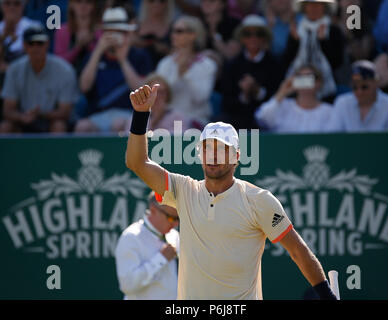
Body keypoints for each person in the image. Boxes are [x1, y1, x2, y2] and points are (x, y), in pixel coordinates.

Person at [125, 83, 338, 300]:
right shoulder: (183, 190)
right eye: (207, 148)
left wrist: (327, 295)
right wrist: (141, 115)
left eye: (221, 149)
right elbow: (137, 163)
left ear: (236, 157)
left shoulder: (259, 200)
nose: (213, 155)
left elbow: (297, 251)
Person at [74, 7, 153, 134]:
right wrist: (98, 51)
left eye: (119, 31)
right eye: (110, 31)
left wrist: (122, 60)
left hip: (129, 113)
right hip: (99, 114)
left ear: (126, 33)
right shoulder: (92, 56)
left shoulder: (139, 56)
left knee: (118, 124)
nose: (114, 36)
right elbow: (84, 87)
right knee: (82, 127)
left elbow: (143, 92)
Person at [0, 26, 78, 133]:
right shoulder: (14, 70)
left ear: (47, 44)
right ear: (24, 46)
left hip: (51, 120)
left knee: (58, 125)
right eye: (31, 43)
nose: (36, 48)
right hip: (22, 121)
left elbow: (65, 112)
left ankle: (57, 150)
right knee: (5, 127)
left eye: (40, 43)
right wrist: (22, 117)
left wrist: (40, 114)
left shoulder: (64, 70)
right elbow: (7, 110)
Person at [219, 14, 284, 130]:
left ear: (264, 38)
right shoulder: (232, 66)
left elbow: (279, 100)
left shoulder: (275, 65)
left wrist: (258, 91)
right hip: (238, 123)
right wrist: (244, 95)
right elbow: (227, 103)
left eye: (259, 34)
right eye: (248, 34)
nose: (253, 38)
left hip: (267, 123)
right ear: (242, 38)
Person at [115, 191, 180, 300]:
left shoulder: (174, 236)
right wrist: (161, 258)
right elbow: (127, 285)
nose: (175, 224)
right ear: (153, 210)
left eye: (178, 218)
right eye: (171, 218)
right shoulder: (131, 237)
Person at [156, 15, 217, 126]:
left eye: (179, 31)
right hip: (167, 121)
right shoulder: (165, 63)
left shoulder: (207, 65)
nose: (173, 35)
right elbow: (160, 95)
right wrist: (178, 72)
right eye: (172, 31)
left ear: (193, 35)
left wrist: (185, 73)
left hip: (196, 121)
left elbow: (200, 98)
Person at [284, 0, 344, 100]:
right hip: (299, 85)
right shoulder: (296, 30)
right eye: (310, 4)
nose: (313, 8)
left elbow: (337, 62)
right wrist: (295, 42)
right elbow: (286, 61)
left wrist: (323, 41)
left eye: (318, 4)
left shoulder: (334, 30)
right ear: (304, 7)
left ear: (324, 7)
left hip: (325, 87)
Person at [327, 60, 388, 132]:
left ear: (376, 83)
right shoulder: (342, 102)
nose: (359, 92)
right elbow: (333, 136)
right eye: (355, 87)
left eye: (364, 87)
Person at [255, 64, 333, 133]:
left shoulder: (329, 111)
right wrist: (282, 92)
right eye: (300, 77)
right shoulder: (284, 105)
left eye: (310, 77)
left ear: (319, 82)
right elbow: (262, 117)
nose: (305, 81)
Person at [125, 73, 197, 133]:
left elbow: (178, 142)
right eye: (153, 92)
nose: (157, 96)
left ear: (168, 94)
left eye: (162, 92)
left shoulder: (178, 117)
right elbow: (131, 142)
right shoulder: (136, 118)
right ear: (145, 94)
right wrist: (154, 121)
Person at [53, 0, 102, 75]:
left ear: (93, 6)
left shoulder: (100, 30)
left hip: (97, 77)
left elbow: (104, 59)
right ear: (71, 4)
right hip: (68, 78)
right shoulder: (62, 31)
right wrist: (78, 47)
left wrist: (90, 43)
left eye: (88, 2)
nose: (83, 5)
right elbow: (59, 64)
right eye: (78, 1)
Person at [0, 0, 42, 77]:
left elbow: (37, 56)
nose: (11, 7)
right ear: (2, 6)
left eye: (16, 4)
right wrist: (3, 37)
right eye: (7, 3)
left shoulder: (34, 27)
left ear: (23, 6)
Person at [134, 0, 175, 66]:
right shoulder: (135, 26)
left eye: (162, 1)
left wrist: (166, 50)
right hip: (137, 70)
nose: (156, 4)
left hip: (163, 72)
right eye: (152, 0)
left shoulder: (175, 28)